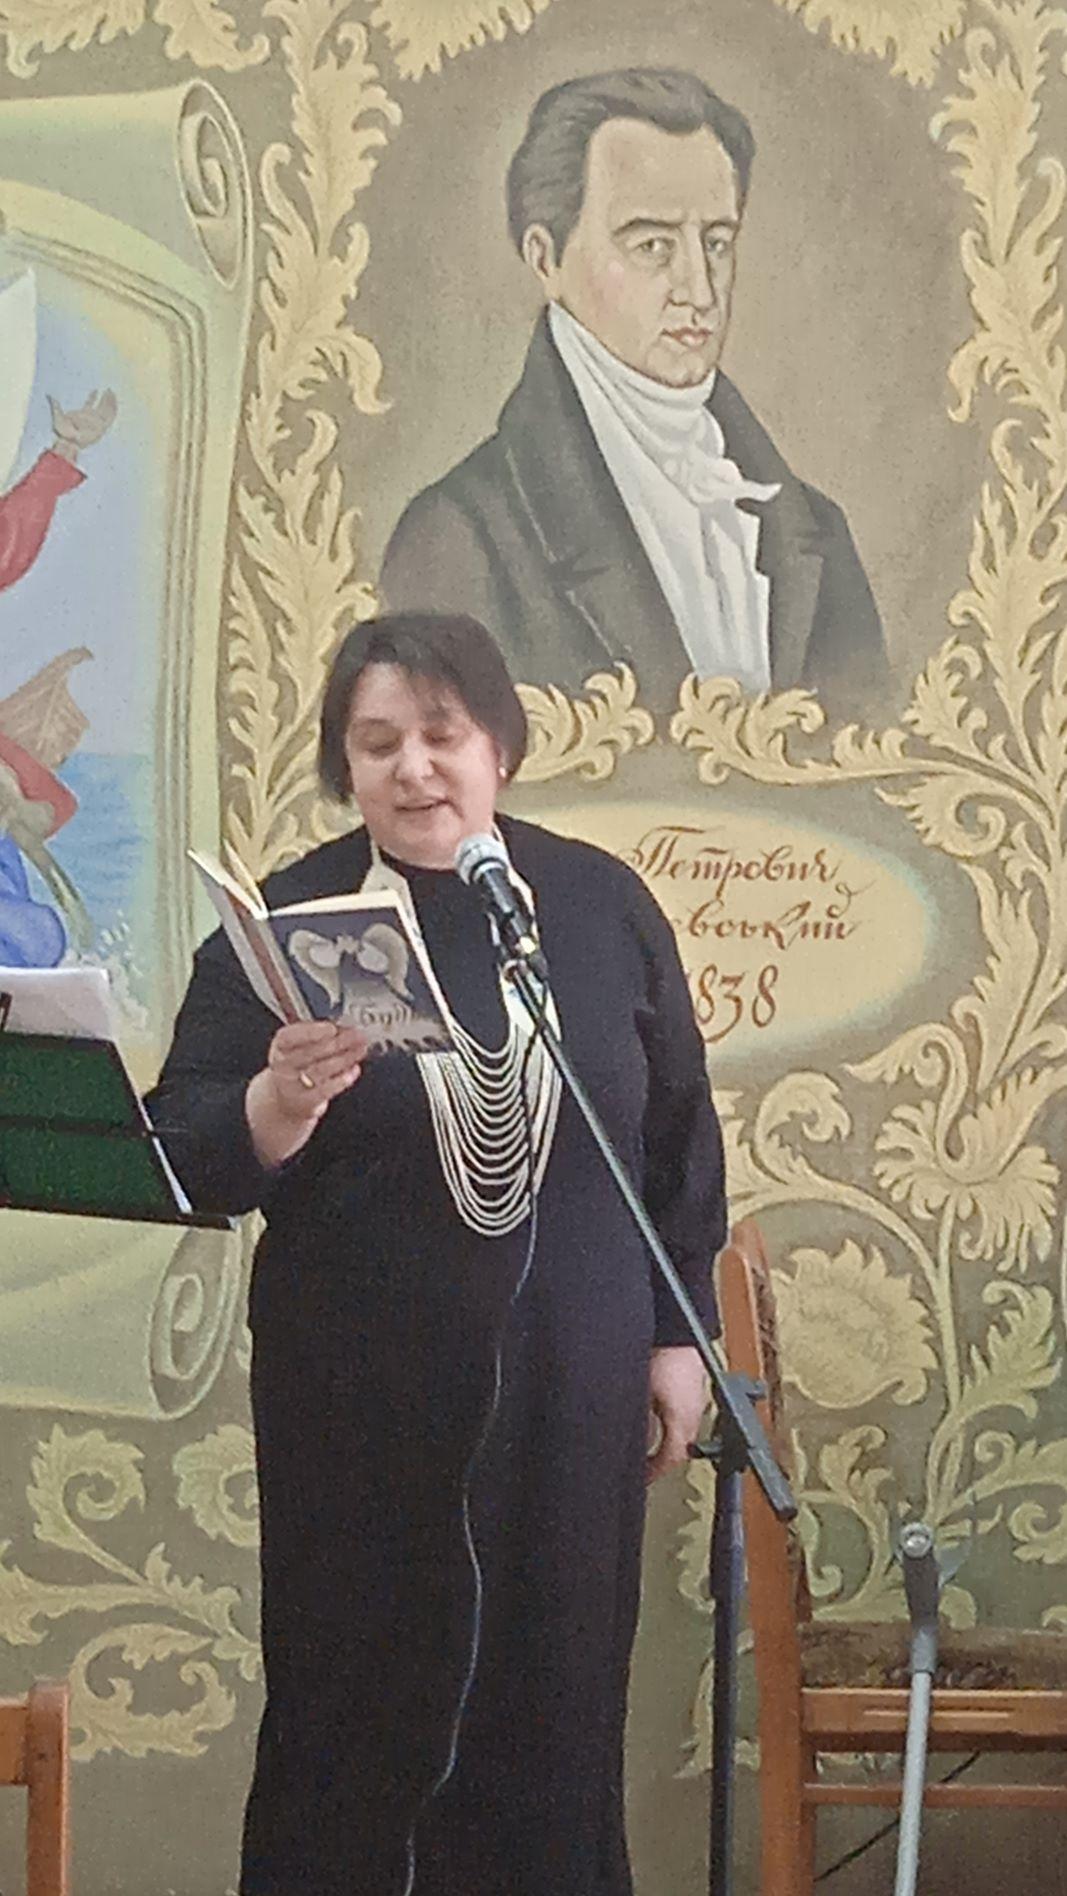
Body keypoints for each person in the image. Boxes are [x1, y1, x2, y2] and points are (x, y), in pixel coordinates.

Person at [148, 610, 727, 1896]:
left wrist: (678, 1336)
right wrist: (278, 1102)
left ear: (497, 747)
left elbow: (677, 1141)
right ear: (344, 767)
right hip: (356, 1405)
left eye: (440, 735)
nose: (412, 768)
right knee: (353, 1714)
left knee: (556, 1707)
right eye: (376, 744)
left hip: (571, 1399)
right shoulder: (287, 922)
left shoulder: (596, 906)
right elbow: (183, 1148)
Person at [382, 68, 887, 721]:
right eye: (652, 245)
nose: (700, 290)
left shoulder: (813, 533)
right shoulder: (459, 538)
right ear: (546, 259)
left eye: (716, 243)